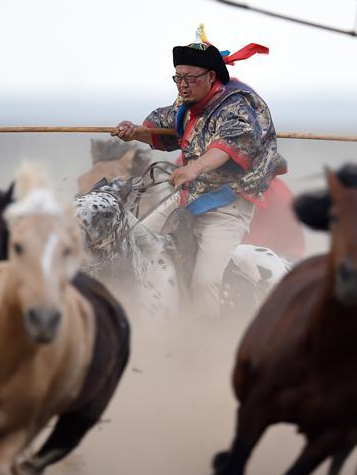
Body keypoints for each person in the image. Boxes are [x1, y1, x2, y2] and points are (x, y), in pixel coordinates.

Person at [113, 25, 285, 317]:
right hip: (187, 198)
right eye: (178, 77)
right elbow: (162, 130)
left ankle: (205, 340)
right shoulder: (187, 105)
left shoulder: (239, 106)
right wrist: (134, 132)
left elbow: (225, 147)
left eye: (190, 78)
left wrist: (193, 168)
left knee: (205, 282)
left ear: (211, 77)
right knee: (133, 242)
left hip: (228, 205)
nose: (182, 84)